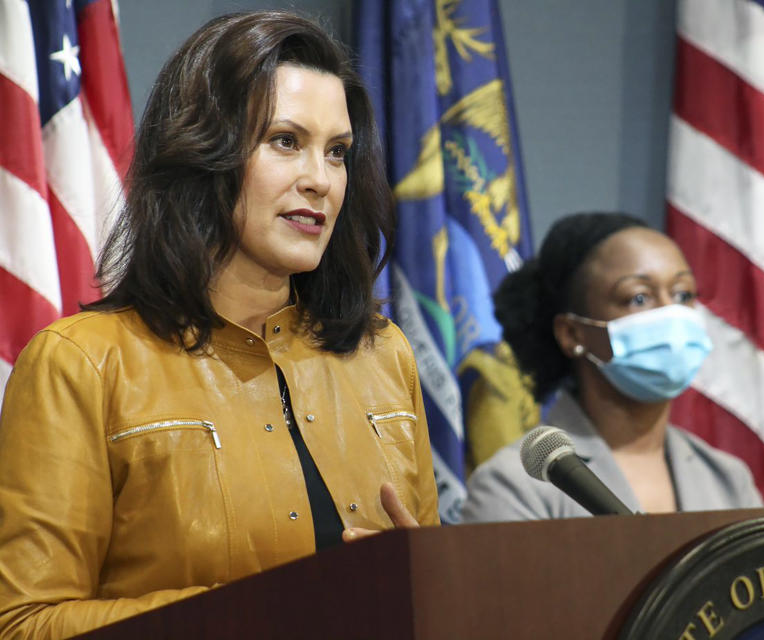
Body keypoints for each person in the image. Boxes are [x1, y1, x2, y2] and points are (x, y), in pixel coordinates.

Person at [0, 11, 438, 639]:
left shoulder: (384, 353)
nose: (320, 180)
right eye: (286, 141)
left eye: (337, 152)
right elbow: (26, 623)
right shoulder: (82, 363)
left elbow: (437, 587)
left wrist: (422, 585)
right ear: (204, 153)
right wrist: (261, 611)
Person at [460, 212, 763, 522]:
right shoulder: (512, 486)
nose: (670, 313)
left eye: (682, 294)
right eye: (640, 297)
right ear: (573, 334)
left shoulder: (728, 480)